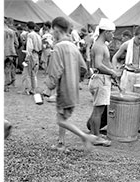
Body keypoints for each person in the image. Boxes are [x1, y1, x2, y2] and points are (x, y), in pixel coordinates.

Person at [46, 17, 99, 152]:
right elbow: (83, 68)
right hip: (73, 90)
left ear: (57, 30)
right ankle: (61, 143)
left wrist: (48, 88)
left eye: (53, 31)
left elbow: (55, 71)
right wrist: (73, 76)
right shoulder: (74, 47)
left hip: (64, 90)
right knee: (63, 116)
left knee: (60, 120)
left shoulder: (58, 47)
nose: (52, 34)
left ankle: (84, 136)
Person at [84, 18, 120, 147]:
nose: (113, 35)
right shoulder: (99, 46)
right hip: (101, 80)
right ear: (106, 32)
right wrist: (112, 72)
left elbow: (104, 63)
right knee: (98, 111)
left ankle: (95, 134)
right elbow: (98, 64)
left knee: (97, 109)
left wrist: (112, 72)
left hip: (101, 79)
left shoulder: (101, 45)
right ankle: (96, 137)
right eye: (112, 33)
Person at [112, 26, 140, 95]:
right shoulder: (126, 44)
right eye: (139, 38)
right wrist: (115, 70)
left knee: (139, 98)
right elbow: (115, 57)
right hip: (128, 74)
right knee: (126, 96)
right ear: (134, 35)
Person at [24, 21, 42, 95]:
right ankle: (34, 89)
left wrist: (27, 57)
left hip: (31, 54)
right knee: (34, 73)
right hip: (36, 54)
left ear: (27, 27)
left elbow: (29, 47)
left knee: (28, 73)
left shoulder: (30, 35)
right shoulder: (38, 35)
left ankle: (28, 89)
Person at [4, 18, 19, 90]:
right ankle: (7, 85)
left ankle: (4, 86)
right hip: (11, 53)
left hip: (3, 53)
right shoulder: (12, 32)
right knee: (8, 69)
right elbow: (17, 44)